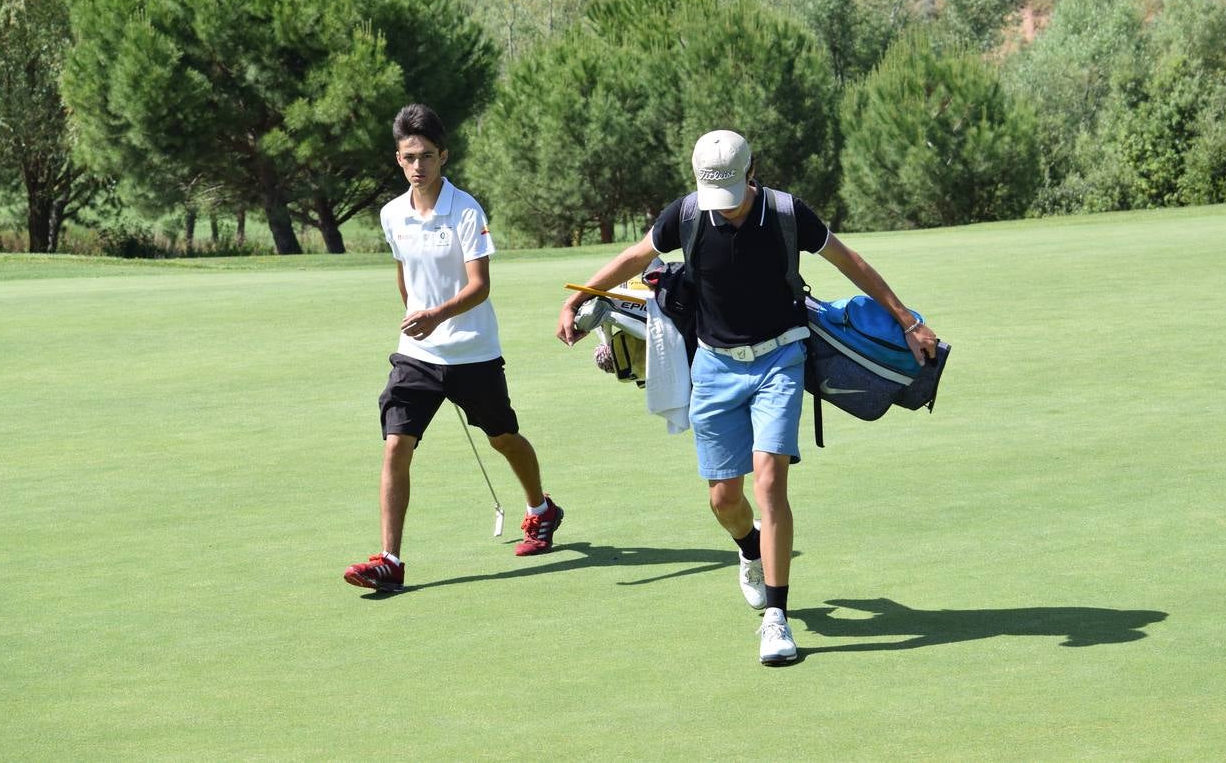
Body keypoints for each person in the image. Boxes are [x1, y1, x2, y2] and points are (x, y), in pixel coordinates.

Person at [556, 129, 938, 665]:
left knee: (770, 480)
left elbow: (851, 263)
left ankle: (776, 619)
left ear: (750, 172)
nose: (727, 210)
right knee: (723, 500)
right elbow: (633, 256)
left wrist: (909, 320)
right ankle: (749, 549)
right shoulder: (686, 215)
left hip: (781, 358)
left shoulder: (787, 212)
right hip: (714, 367)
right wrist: (580, 298)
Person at [345, 103, 562, 592]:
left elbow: (479, 285)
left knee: (503, 438)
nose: (417, 166)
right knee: (396, 446)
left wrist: (436, 316)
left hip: (472, 352)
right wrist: (418, 321)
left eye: (425, 155)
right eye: (407, 157)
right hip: (417, 356)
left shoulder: (466, 210)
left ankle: (540, 509)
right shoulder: (391, 214)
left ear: (443, 155)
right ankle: (390, 560)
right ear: (397, 159)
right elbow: (405, 275)